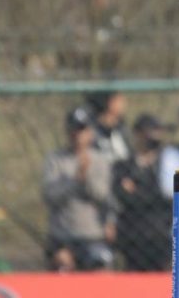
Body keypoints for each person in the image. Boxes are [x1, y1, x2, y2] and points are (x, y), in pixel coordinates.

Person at [42, 107, 113, 271]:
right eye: (73, 130)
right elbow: (50, 195)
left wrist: (86, 179)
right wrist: (75, 181)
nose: (77, 135)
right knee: (62, 266)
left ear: (90, 132)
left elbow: (102, 195)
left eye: (81, 130)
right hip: (62, 236)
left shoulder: (100, 161)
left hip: (92, 236)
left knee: (101, 270)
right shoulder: (56, 160)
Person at [112, 113, 171, 271]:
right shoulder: (124, 166)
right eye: (150, 131)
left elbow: (165, 194)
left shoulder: (166, 163)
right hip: (133, 236)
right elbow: (123, 196)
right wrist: (152, 192)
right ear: (138, 134)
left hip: (163, 234)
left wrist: (138, 190)